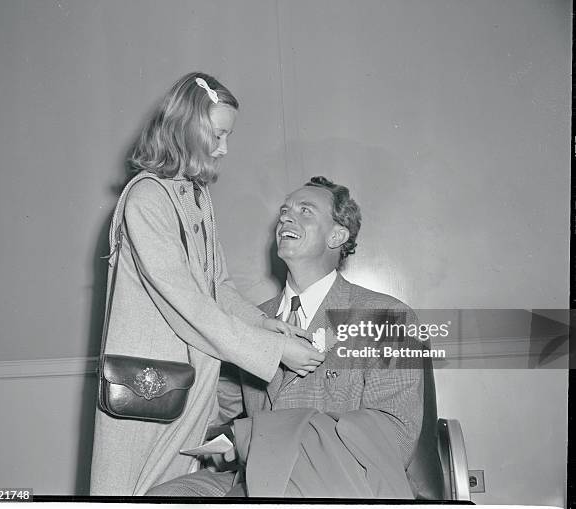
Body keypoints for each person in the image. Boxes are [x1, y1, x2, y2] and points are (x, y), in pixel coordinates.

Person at [89, 73, 325, 496]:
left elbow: (217, 287)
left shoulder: (195, 196)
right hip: (150, 390)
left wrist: (266, 325)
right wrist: (272, 352)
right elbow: (187, 307)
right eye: (218, 135)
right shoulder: (146, 199)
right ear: (187, 128)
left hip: (194, 386)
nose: (224, 148)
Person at [147, 176, 425, 498]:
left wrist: (252, 439)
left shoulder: (388, 317)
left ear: (336, 235)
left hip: (340, 483)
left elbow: (395, 437)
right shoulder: (250, 322)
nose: (285, 217)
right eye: (284, 210)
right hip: (252, 480)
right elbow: (217, 411)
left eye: (305, 210)